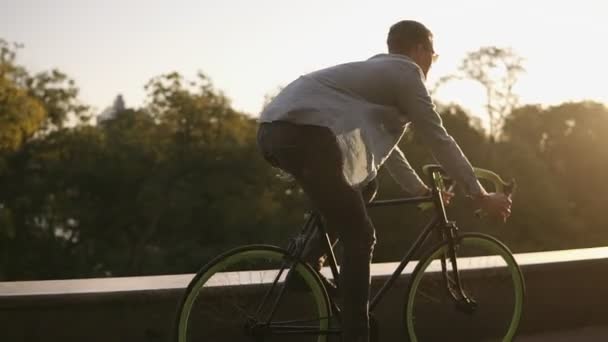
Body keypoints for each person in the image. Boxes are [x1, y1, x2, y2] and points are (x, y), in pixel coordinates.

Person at [256, 20, 512, 342]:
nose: (432, 61)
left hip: (275, 131)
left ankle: (306, 264)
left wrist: (418, 188)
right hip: (302, 134)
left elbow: (386, 151)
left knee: (366, 185)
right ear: (420, 50)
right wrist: (480, 194)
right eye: (433, 54)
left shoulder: (377, 74)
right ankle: (355, 334)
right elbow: (438, 138)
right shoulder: (406, 74)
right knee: (360, 236)